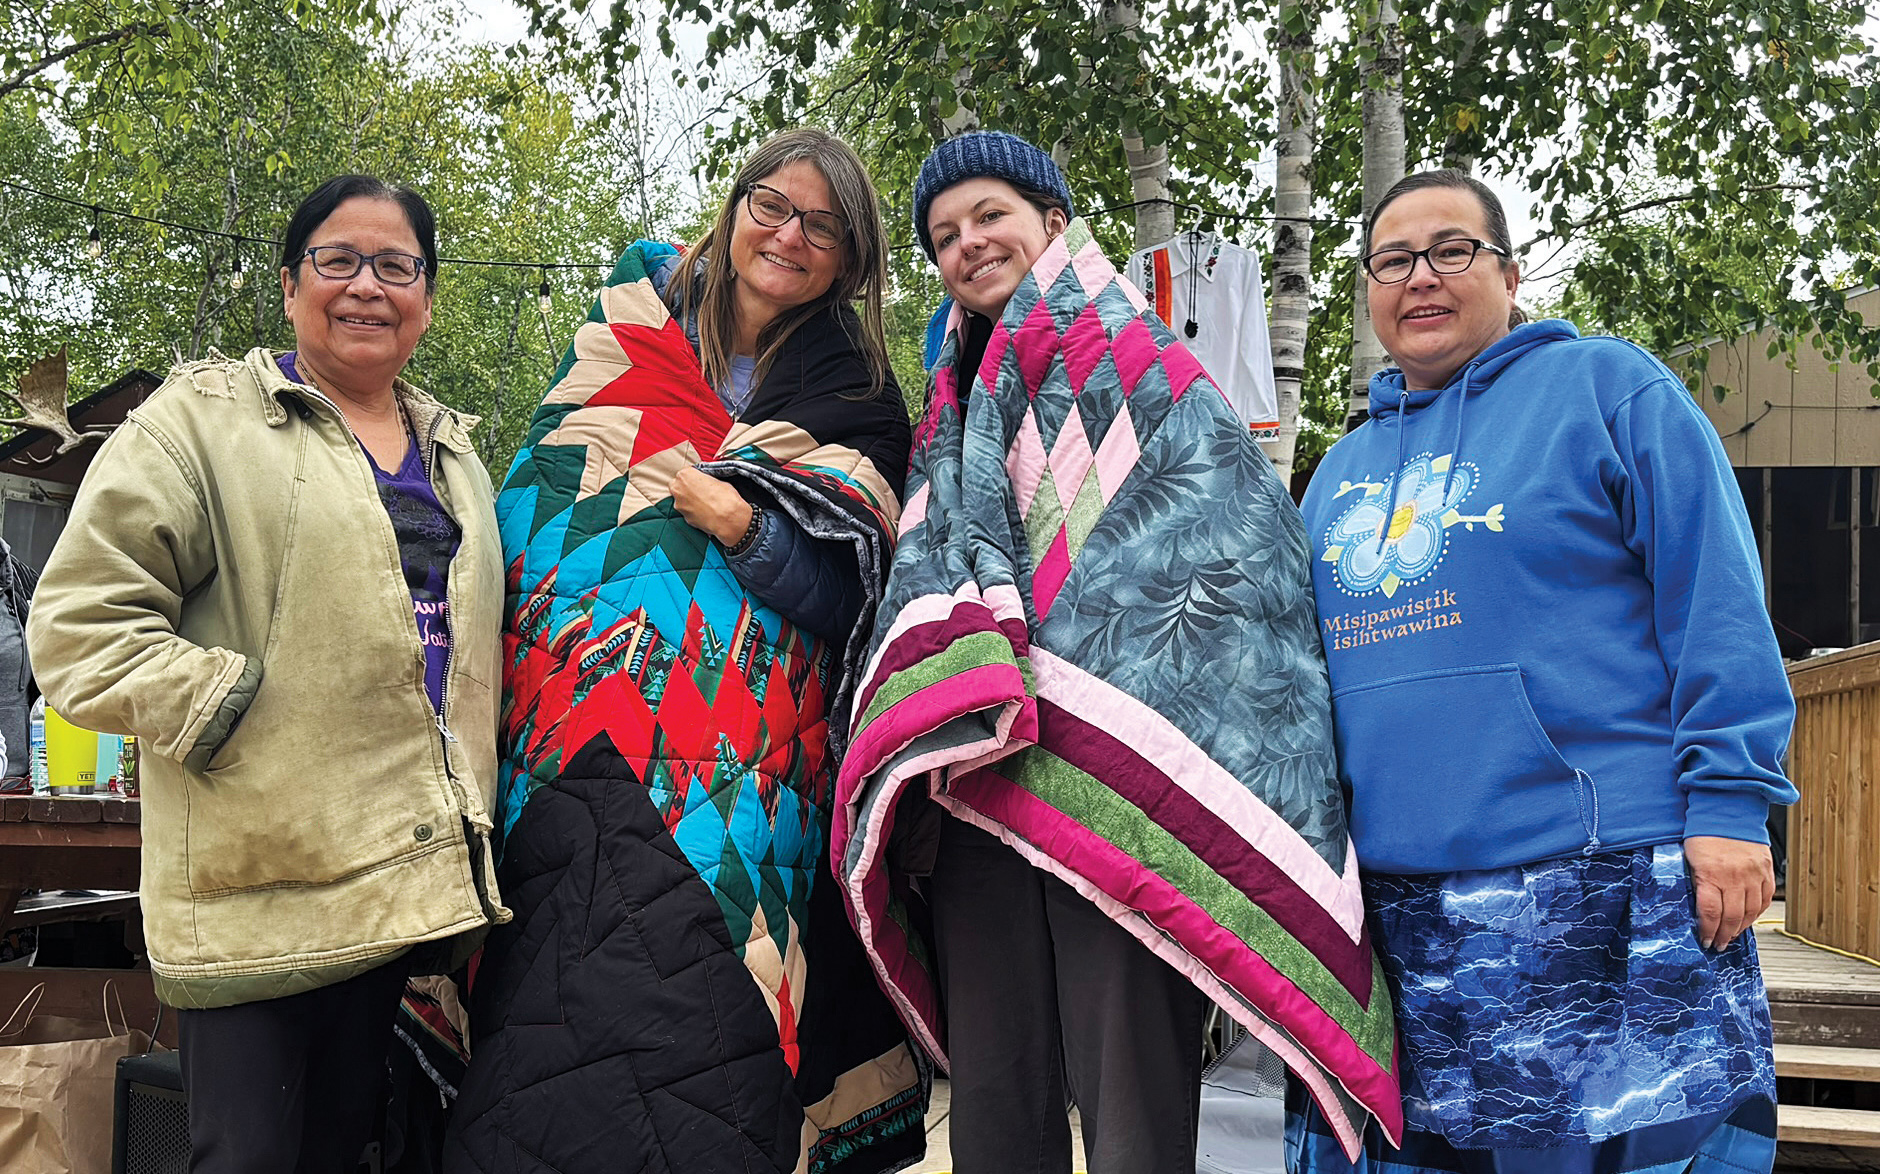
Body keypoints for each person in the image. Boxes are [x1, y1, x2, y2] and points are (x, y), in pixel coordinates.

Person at [832, 130, 1402, 1174]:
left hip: (1123, 792)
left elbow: (1236, 558)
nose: (967, 244)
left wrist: (1089, 686)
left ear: (1052, 221)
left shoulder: (1150, 374)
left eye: (989, 216)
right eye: (944, 235)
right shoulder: (950, 402)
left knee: (1132, 1095)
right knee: (996, 1095)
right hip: (979, 781)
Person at [1289, 169, 1797, 1174]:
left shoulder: (1607, 389)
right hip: (1397, 909)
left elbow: (1714, 597)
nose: (1419, 278)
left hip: (1606, 880)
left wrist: (1730, 804)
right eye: (1391, 261)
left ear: (1509, 273)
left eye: (1449, 251)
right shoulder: (1340, 472)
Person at [445, 127, 924, 1174]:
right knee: (543, 1026)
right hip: (569, 753)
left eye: (823, 225)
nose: (788, 235)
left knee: (707, 1043)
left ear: (849, 259)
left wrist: (741, 526)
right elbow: (529, 534)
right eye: (771, 205)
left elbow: (848, 598)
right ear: (733, 204)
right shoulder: (618, 341)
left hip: (751, 786)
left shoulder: (859, 397)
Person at [26, 174, 509, 1172]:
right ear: (291, 286)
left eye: (395, 265)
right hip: (260, 883)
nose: (365, 285)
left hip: (396, 893)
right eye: (337, 260)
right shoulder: (202, 425)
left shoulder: (455, 454)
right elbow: (77, 624)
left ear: (427, 294)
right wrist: (226, 709)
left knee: (351, 1150)